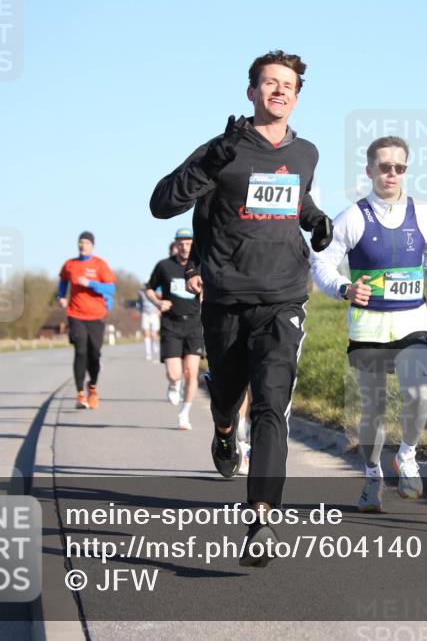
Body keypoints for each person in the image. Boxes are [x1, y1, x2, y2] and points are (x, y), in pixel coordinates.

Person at [150, 50, 333, 566]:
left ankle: (262, 519)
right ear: (251, 91)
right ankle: (224, 431)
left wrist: (316, 221)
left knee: (273, 404)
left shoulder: (306, 153)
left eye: (288, 85)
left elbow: (298, 201)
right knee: (228, 395)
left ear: (297, 96)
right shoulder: (222, 149)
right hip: (226, 298)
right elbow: (162, 203)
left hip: (284, 298)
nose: (279, 91)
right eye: (269, 83)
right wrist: (212, 161)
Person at [310, 136, 427, 513]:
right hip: (367, 329)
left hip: (412, 323)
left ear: (405, 171)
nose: (391, 174)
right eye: (384, 167)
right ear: (370, 170)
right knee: (373, 409)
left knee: (418, 395)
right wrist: (343, 288)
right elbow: (321, 262)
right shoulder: (353, 217)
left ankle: (407, 456)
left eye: (399, 168)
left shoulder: (425, 214)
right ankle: (373, 476)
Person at [144, 229, 204, 430]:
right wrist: (157, 303)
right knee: (175, 373)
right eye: (181, 244)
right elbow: (149, 288)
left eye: (188, 244)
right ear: (176, 245)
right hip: (171, 324)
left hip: (195, 325)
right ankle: (173, 383)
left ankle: (184, 413)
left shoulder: (201, 266)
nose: (185, 247)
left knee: (191, 372)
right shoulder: (164, 266)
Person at [58, 231, 117, 410]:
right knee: (81, 351)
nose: (82, 245)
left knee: (94, 355)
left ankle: (92, 387)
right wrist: (61, 296)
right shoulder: (70, 264)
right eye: (80, 242)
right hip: (75, 314)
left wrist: (90, 284)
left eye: (86, 242)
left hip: (96, 316)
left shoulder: (100, 264)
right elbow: (62, 281)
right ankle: (79, 394)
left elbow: (111, 289)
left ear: (92, 245)